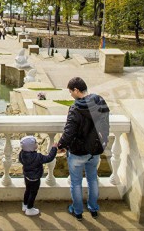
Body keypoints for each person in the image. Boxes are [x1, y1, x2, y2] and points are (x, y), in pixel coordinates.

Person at [57, 77, 110, 221]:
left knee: (76, 183)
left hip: (78, 152)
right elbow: (105, 126)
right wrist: (103, 143)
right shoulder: (100, 101)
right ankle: (93, 209)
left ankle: (78, 211)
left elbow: (69, 132)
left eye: (71, 92)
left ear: (76, 90)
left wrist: (60, 145)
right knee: (93, 179)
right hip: (95, 149)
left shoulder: (75, 108)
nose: (71, 95)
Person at [19, 136, 58, 216]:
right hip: (35, 179)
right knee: (33, 193)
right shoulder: (38, 157)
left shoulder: (22, 154)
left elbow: (20, 160)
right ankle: (29, 209)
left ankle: (25, 205)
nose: (37, 144)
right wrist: (54, 148)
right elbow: (49, 158)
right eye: (35, 143)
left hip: (27, 176)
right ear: (32, 147)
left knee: (27, 190)